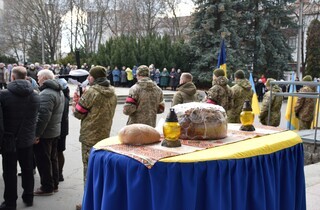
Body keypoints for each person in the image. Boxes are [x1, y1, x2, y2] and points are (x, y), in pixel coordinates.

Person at [73, 66, 117, 210]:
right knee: (100, 170)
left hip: (89, 136)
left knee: (88, 169)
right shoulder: (112, 91)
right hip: (104, 135)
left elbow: (78, 113)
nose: (88, 78)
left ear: (94, 77)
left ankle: (88, 204)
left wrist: (76, 103)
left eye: (90, 76)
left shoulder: (91, 92)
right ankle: (99, 200)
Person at [0, 66, 40, 209]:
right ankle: (28, 197)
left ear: (13, 77)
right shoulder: (35, 95)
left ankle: (10, 202)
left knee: (9, 172)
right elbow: (36, 118)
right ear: (26, 76)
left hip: (9, 140)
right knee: (28, 169)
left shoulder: (3, 95)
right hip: (27, 139)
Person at [33, 69, 65, 196]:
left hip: (46, 133)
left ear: (45, 79)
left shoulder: (46, 93)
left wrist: (36, 134)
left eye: (38, 77)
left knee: (44, 161)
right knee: (52, 159)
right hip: (54, 131)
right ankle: (54, 184)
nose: (37, 80)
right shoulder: (59, 90)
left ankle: (47, 187)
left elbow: (42, 117)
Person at [57, 78, 70, 182]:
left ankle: (58, 173)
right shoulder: (66, 97)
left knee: (57, 152)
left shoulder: (61, 98)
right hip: (63, 128)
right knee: (60, 151)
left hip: (59, 128)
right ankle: (59, 173)